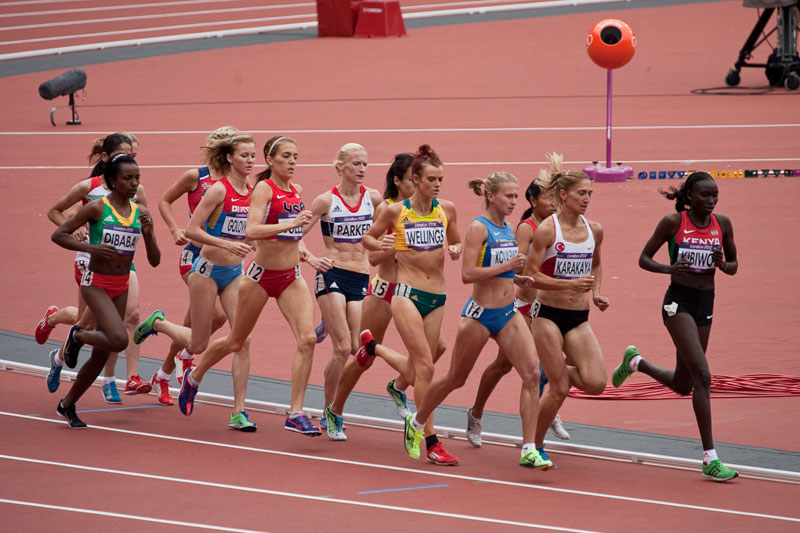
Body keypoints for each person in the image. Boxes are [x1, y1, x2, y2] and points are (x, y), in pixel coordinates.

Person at [173, 135, 321, 436]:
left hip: (289, 275)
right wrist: (289, 226)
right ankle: (194, 376)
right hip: (253, 275)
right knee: (233, 341)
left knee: (306, 339)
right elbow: (252, 229)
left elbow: (292, 231)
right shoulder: (262, 190)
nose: (293, 162)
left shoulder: (296, 190)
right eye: (287, 156)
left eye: (296, 156)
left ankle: (294, 412)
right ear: (272, 159)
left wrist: (306, 251)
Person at [413, 172, 554, 469]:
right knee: (456, 379)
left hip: (507, 313)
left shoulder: (507, 228)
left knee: (531, 374)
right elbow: (467, 275)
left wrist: (518, 277)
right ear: (491, 196)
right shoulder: (479, 228)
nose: (514, 201)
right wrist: (508, 265)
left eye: (516, 196)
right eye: (509, 196)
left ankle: (529, 448)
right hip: (479, 315)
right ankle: (416, 423)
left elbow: (501, 271)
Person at [612, 172, 739, 482]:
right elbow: (643, 258)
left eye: (715, 195)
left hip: (705, 304)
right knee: (703, 375)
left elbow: (734, 265)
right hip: (677, 304)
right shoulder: (673, 222)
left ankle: (635, 362)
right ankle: (710, 458)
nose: (711, 201)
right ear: (690, 196)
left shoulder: (722, 223)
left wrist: (723, 265)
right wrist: (669, 268)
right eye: (705, 195)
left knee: (684, 384)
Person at [135, 133, 257, 431]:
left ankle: (239, 411)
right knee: (199, 341)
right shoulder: (216, 188)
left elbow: (248, 230)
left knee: (242, 340)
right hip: (205, 268)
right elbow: (192, 229)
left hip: (234, 272)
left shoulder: (252, 191)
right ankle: (159, 323)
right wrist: (225, 243)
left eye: (254, 156)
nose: (252, 161)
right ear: (229, 157)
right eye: (245, 155)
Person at [324, 154, 446, 440]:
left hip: (416, 292)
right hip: (386, 292)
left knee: (436, 349)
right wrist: (394, 246)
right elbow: (376, 257)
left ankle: (399, 386)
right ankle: (335, 409)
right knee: (363, 357)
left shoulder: (429, 209)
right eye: (412, 180)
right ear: (400, 181)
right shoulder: (390, 209)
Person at [362, 144, 462, 465]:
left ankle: (379, 358)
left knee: (427, 362)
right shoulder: (395, 211)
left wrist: (458, 248)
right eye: (431, 179)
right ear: (416, 179)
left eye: (440, 179)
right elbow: (368, 240)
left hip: (438, 298)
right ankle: (429, 438)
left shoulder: (446, 209)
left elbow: (457, 238)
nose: (437, 184)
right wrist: (382, 242)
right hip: (405, 294)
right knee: (427, 367)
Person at [42, 133, 154, 404]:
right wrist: (80, 232)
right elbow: (56, 213)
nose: (131, 167)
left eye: (133, 158)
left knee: (133, 316)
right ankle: (58, 349)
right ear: (106, 160)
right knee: (90, 322)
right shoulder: (89, 189)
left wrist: (149, 232)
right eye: (121, 157)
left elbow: (143, 229)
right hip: (89, 260)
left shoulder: (136, 191)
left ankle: (111, 379)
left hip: (124, 262)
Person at [466, 179, 570, 447]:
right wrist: (528, 274)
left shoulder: (557, 227)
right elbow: (514, 265)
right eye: (549, 200)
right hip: (523, 308)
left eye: (557, 200)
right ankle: (476, 412)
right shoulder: (526, 228)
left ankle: (548, 411)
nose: (555, 205)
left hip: (546, 307)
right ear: (534, 201)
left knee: (545, 364)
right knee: (504, 365)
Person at [522, 153, 607, 468]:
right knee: (558, 388)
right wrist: (566, 286)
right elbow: (532, 276)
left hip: (578, 317)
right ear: (563, 195)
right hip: (546, 314)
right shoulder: (547, 229)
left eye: (590, 194)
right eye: (581, 193)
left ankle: (558, 372)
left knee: (596, 383)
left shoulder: (594, 229)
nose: (586, 199)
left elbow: (596, 263)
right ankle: (534, 446)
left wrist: (596, 292)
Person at [149, 127, 237, 404]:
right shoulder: (195, 177)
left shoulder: (236, 181)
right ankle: (183, 356)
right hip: (195, 256)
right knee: (216, 315)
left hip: (225, 260)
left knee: (201, 323)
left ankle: (165, 373)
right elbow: (164, 200)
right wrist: (175, 229)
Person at [301, 143, 383, 438]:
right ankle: (329, 413)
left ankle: (328, 321)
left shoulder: (373, 198)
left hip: (360, 278)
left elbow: (391, 226)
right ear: (340, 167)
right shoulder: (325, 201)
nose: (362, 170)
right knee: (341, 348)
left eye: (365, 164)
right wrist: (311, 258)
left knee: (357, 349)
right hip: (332, 274)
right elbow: (296, 234)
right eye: (356, 164)